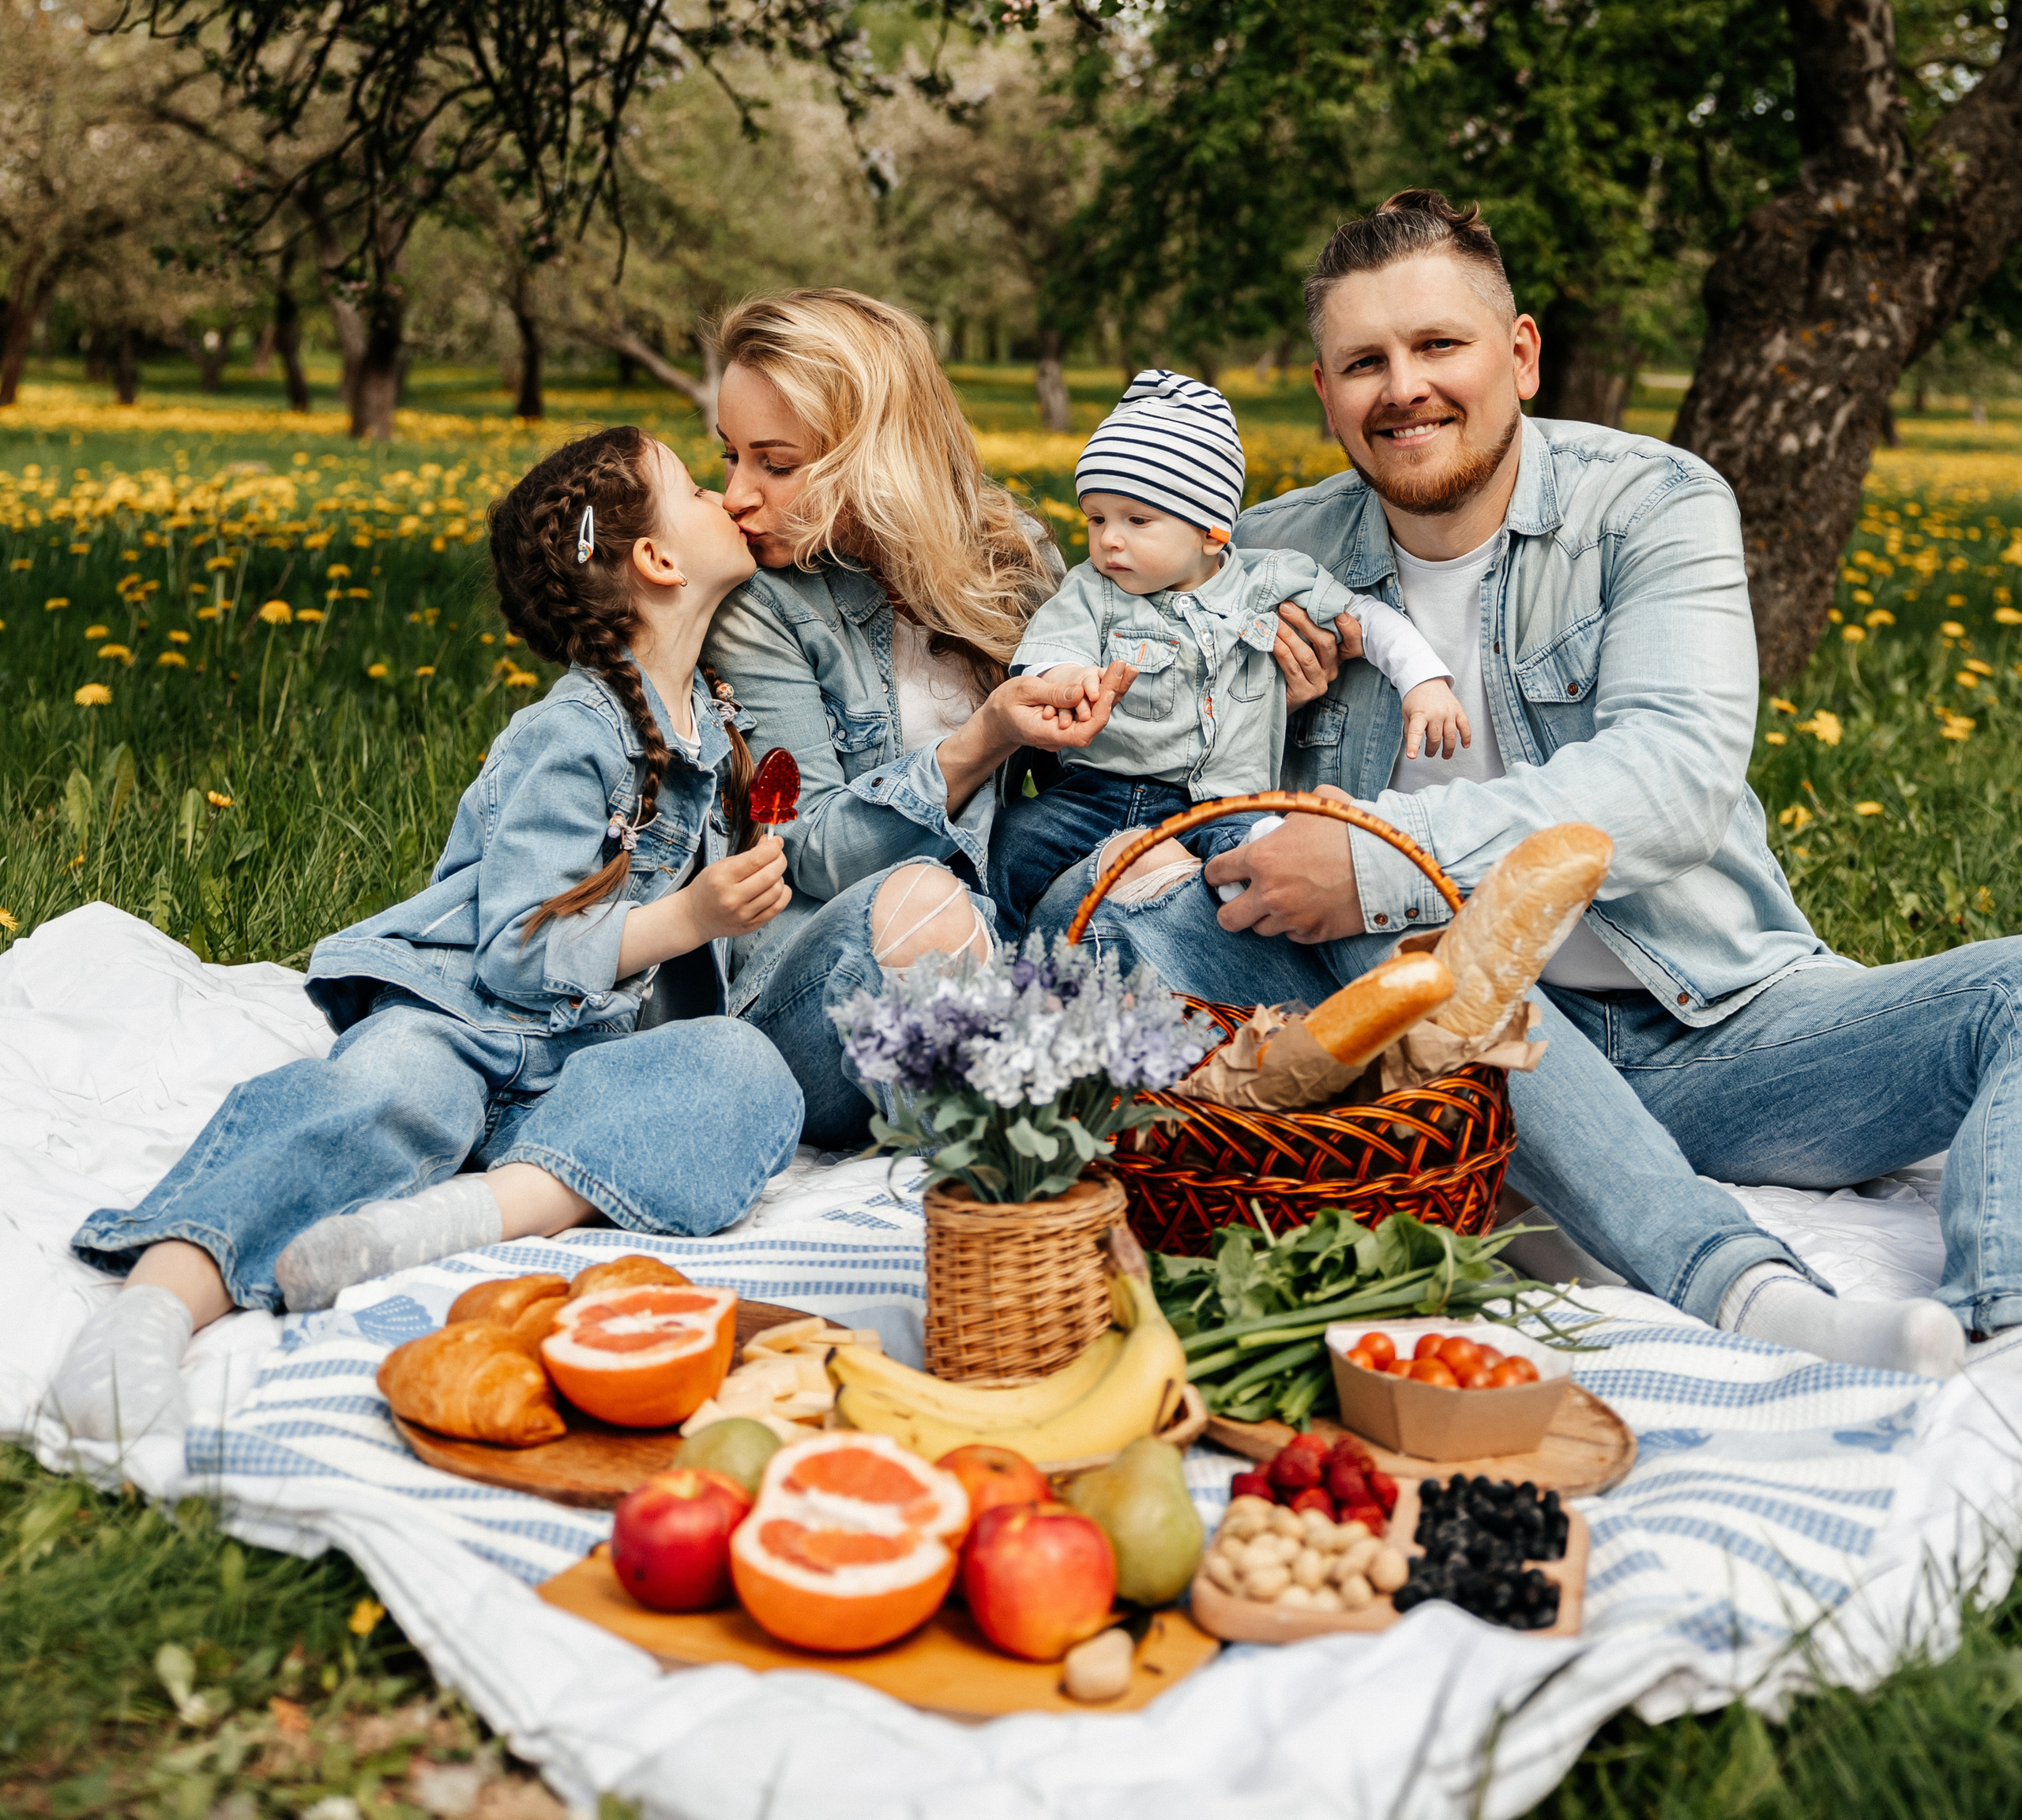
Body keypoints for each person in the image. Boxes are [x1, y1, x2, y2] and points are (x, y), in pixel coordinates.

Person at [1032, 190, 2022, 1378]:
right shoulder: (1259, 562)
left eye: (1438, 345)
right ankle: (1743, 1287)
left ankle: (1997, 1336)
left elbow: (1674, 779)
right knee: (1152, 906)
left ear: (1521, 355)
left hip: (1711, 1027)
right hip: (1420, 1067)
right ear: (1325, 393)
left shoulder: (1654, 504)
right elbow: (1150, 788)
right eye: (1365, 362)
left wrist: (1382, 860)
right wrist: (1254, 718)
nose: (1404, 386)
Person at [53, 429, 806, 1446]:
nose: (730, 494)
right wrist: (692, 916)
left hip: (590, 1055)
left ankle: (438, 1224)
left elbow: (680, 988)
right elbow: (518, 953)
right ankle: (161, 1298)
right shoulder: (569, 735)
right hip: (469, 1018)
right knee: (372, 1094)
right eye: (697, 483)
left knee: (742, 1072)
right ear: (658, 562)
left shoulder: (710, 726)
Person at [706, 288, 1137, 1143]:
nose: (734, 497)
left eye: (774, 464)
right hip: (822, 978)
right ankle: (1047, 1110)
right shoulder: (759, 605)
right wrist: (985, 739)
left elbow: (1089, 781)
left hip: (998, 935)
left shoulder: (1011, 552)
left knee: (1145, 872)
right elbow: (804, 843)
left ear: (876, 453)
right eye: (728, 457)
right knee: (921, 899)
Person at [990, 365, 1466, 934]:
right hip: (1094, 793)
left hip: (1228, 803)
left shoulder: (1269, 582)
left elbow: (1365, 616)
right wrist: (1070, 681)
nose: (1108, 539)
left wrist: (1423, 682)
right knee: (1008, 848)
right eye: (1095, 518)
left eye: (1137, 519)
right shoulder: (1093, 591)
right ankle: (1001, 971)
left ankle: (1359, 929)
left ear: (1213, 531)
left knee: (1261, 868)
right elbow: (1052, 651)